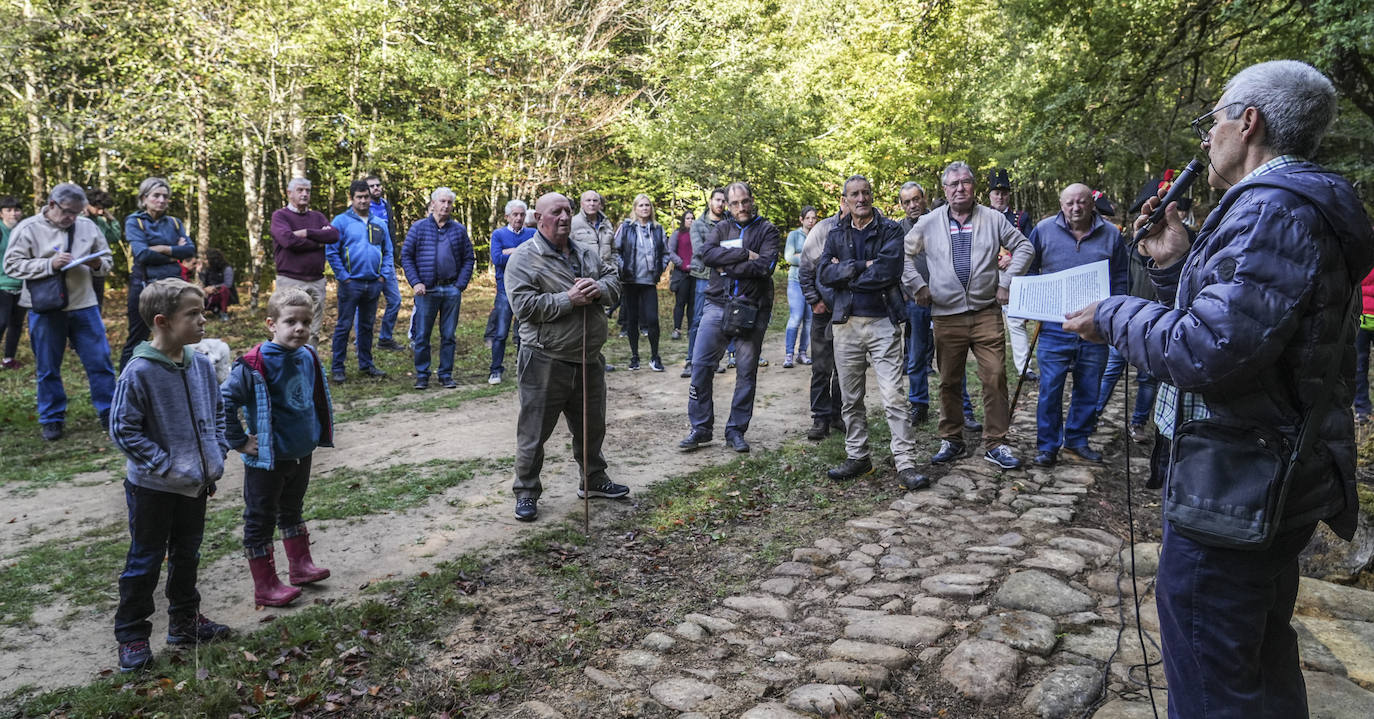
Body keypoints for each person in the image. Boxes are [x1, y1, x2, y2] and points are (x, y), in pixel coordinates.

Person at [1063, 60, 1374, 719]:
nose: (1206, 138)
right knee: (1255, 659)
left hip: (1239, 485)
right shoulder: (1282, 209)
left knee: (1213, 676)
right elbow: (1247, 328)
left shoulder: (1272, 212)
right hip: (1255, 474)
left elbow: (1206, 350)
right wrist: (1178, 260)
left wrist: (1112, 313)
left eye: (1214, 120)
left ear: (1248, 121)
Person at [108, 277, 232, 672]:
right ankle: (131, 634)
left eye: (202, 312)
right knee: (145, 559)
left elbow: (217, 412)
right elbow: (123, 430)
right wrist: (166, 466)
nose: (203, 320)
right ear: (162, 321)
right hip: (153, 488)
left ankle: (184, 621)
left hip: (195, 485)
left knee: (187, 553)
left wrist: (214, 457)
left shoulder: (198, 363)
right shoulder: (139, 371)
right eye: (192, 314)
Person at [504, 192, 626, 522]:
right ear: (538, 218)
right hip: (545, 359)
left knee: (591, 426)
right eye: (556, 212)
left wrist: (599, 289)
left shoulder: (586, 253)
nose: (564, 217)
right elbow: (524, 307)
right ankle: (526, 491)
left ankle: (594, 479)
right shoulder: (523, 258)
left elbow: (613, 280)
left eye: (568, 211)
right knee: (534, 432)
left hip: (588, 357)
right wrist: (568, 299)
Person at [903, 162, 1033, 469]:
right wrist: (918, 286)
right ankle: (952, 439)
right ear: (945, 190)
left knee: (995, 376)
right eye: (953, 184)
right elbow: (903, 256)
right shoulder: (929, 221)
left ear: (974, 187)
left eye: (965, 183)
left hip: (986, 312)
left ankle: (996, 443)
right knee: (949, 381)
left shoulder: (992, 218)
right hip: (947, 315)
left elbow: (1024, 248)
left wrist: (1006, 282)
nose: (960, 188)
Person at [222, 286, 336, 608]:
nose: (299, 328)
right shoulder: (254, 363)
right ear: (271, 324)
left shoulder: (308, 356)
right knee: (260, 518)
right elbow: (224, 401)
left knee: (292, 509)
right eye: (290, 322)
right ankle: (266, 585)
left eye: (305, 321)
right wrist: (241, 441)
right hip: (267, 460)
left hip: (300, 454)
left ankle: (301, 567)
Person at [818, 177, 927, 490]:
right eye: (854, 194)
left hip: (882, 320)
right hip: (846, 323)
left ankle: (905, 462)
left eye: (866, 192)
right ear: (846, 200)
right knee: (851, 398)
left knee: (893, 395)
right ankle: (858, 456)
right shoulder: (836, 232)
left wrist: (847, 271)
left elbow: (889, 271)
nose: (861, 198)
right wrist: (864, 265)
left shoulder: (890, 229)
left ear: (872, 196)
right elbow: (824, 273)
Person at [3, 184, 116, 440]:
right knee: (48, 366)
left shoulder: (87, 226)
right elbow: (11, 265)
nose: (71, 218)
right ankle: (52, 418)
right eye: (67, 212)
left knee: (100, 361)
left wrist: (97, 263)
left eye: (77, 213)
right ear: (52, 204)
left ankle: (109, 412)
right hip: (45, 307)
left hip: (84, 305)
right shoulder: (28, 228)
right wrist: (48, 264)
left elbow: (107, 261)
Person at [1027, 183, 1128, 467]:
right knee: (1050, 388)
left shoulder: (1110, 234)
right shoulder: (1044, 230)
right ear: (1061, 204)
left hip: (1095, 328)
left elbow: (1120, 276)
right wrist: (1036, 298)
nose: (1076, 208)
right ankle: (1047, 446)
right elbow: (1030, 269)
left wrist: (1114, 312)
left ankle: (1077, 440)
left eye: (1081, 202)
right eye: (1069, 203)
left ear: (1092, 204)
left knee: (1089, 385)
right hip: (1053, 327)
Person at [679, 182, 780, 453]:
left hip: (752, 307)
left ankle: (736, 430)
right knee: (700, 365)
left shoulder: (767, 230)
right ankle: (700, 428)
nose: (740, 207)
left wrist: (727, 265)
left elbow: (766, 266)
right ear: (727, 205)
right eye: (734, 203)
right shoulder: (721, 228)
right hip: (717, 304)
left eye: (744, 201)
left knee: (746, 372)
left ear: (752, 199)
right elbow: (707, 254)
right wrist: (744, 254)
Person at [402, 188, 476, 390]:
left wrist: (460, 285)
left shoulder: (458, 230)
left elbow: (469, 258)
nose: (446, 205)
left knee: (449, 335)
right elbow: (406, 256)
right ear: (433, 204)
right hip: (427, 291)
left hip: (451, 289)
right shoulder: (418, 228)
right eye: (442, 201)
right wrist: (416, 282)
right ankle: (422, 375)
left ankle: (445, 375)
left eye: (449, 202)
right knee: (422, 335)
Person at [120, 178, 196, 373]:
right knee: (138, 335)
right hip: (145, 285)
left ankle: (172, 375)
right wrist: (174, 253)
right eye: (156, 196)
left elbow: (189, 250)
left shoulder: (174, 222)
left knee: (176, 333)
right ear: (144, 198)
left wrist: (161, 249)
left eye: (165, 196)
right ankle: (127, 381)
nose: (161, 200)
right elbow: (142, 254)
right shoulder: (135, 221)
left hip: (174, 286)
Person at [328, 179, 393, 383]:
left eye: (366, 197)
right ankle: (338, 367)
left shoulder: (379, 223)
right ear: (352, 198)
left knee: (367, 326)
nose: (364, 201)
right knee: (344, 325)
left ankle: (366, 364)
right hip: (351, 284)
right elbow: (331, 251)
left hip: (373, 282)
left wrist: (383, 276)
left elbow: (388, 251)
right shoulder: (340, 222)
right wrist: (344, 277)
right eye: (359, 197)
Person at [269, 177, 339, 347]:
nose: (305, 194)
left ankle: (309, 365)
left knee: (313, 329)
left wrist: (306, 232)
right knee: (287, 327)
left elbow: (333, 235)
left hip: (316, 281)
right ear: (289, 193)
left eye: (307, 191)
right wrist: (318, 240)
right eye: (300, 190)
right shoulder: (280, 216)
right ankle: (285, 366)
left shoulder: (317, 217)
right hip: (290, 280)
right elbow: (288, 241)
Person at [799, 195, 847, 440]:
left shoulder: (867, 229)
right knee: (821, 367)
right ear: (842, 201)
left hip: (851, 313)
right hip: (824, 311)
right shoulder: (822, 230)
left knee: (845, 368)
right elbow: (805, 270)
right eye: (852, 198)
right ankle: (820, 418)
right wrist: (814, 301)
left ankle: (838, 414)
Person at [988, 169, 1036, 382]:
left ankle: (1024, 367)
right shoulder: (982, 216)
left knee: (1016, 322)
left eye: (1004, 192)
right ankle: (991, 365)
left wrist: (1012, 258)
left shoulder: (1020, 217)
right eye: (996, 193)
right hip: (988, 274)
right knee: (989, 322)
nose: (1000, 196)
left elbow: (1029, 245)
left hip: (1014, 275)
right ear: (989, 195)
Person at [614, 194, 668, 371]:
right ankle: (634, 356)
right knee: (632, 320)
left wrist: (660, 268)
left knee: (652, 320)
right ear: (635, 208)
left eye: (647, 205)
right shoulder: (626, 228)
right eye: (641, 205)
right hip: (630, 281)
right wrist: (623, 269)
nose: (645, 208)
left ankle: (655, 356)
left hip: (649, 281)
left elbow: (665, 253)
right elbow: (616, 251)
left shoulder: (658, 229)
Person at [487, 199, 536, 384]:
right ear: (507, 216)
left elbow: (537, 257)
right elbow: (498, 259)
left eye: (522, 214)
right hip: (505, 289)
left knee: (525, 331)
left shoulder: (533, 233)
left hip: (527, 288)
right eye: (515, 214)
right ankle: (495, 370)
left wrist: (512, 252)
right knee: (501, 332)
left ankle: (523, 368)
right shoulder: (498, 234)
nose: (519, 218)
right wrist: (522, 251)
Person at [683, 188, 727, 377]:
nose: (720, 204)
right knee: (698, 320)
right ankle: (691, 361)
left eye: (723, 201)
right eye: (717, 200)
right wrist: (724, 256)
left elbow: (736, 245)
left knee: (721, 320)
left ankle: (713, 360)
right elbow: (700, 250)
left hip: (725, 276)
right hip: (704, 276)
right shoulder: (698, 224)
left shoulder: (729, 222)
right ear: (710, 201)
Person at [365, 175, 405, 351]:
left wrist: (393, 254)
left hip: (386, 261)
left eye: (378, 185)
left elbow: (391, 231)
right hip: (368, 263)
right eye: (372, 186)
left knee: (395, 300)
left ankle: (385, 338)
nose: (376, 188)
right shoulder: (362, 207)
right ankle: (362, 341)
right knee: (365, 304)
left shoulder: (385, 205)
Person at [783, 206, 816, 368]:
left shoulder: (817, 235)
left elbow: (822, 256)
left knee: (809, 320)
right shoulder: (794, 235)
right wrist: (809, 259)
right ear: (801, 219)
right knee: (795, 318)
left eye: (814, 218)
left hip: (813, 282)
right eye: (808, 218)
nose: (811, 221)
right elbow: (789, 257)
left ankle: (802, 353)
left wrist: (801, 256)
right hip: (796, 281)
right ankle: (789, 354)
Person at [84, 189, 122, 309]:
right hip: (79, 270)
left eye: (103, 209)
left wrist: (112, 219)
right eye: (97, 208)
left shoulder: (100, 221)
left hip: (97, 269)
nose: (100, 211)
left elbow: (114, 237)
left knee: (96, 305)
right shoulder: (75, 219)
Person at [0, 196, 26, 370]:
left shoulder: (25, 230)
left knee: (16, 324)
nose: (13, 214)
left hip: (22, 285)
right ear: (1, 213)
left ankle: (9, 358)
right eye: (8, 210)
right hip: (2, 285)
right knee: (1, 322)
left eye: (16, 210)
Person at [668, 210, 696, 341]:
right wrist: (682, 263)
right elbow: (670, 252)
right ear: (683, 220)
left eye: (692, 218)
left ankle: (691, 329)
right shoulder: (677, 234)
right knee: (680, 302)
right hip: (682, 274)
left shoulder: (697, 235)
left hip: (695, 273)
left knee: (693, 303)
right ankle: (677, 329)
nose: (690, 220)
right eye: (688, 218)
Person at [1355, 267, 1374, 423]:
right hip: (1361, 318)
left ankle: (1362, 410)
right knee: (1359, 366)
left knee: (1359, 366)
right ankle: (1362, 410)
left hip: (1360, 316)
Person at [199, 248, 239, 320]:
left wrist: (214, 287)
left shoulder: (226, 268)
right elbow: (205, 283)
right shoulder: (209, 269)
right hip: (211, 295)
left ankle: (224, 312)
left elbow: (228, 284)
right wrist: (200, 272)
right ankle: (214, 310)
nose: (205, 261)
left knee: (224, 289)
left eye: (206, 259)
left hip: (224, 294)